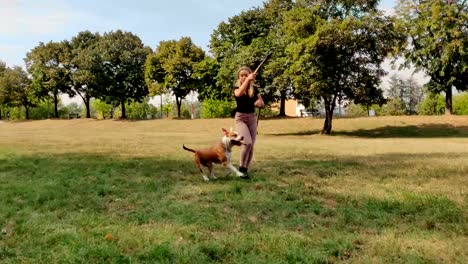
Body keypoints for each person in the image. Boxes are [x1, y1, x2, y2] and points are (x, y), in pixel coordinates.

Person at [233, 66, 264, 179]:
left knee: (251, 146)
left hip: (252, 118)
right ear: (239, 77)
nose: (244, 77)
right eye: (242, 75)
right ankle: (241, 167)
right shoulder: (236, 88)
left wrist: (259, 103)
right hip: (240, 118)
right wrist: (248, 80)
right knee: (247, 143)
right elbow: (238, 94)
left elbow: (261, 102)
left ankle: (245, 169)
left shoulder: (254, 90)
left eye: (246, 75)